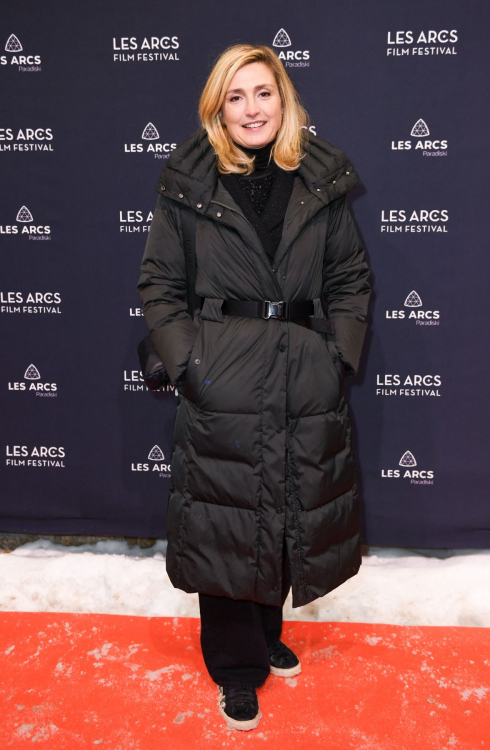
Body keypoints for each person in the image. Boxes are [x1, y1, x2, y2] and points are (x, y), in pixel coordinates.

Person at [137, 43, 371, 731]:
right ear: (218, 108)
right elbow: (160, 284)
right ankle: (235, 665)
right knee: (227, 515)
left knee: (284, 508)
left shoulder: (319, 178)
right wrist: (191, 364)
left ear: (284, 98)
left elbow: (350, 279)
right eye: (235, 97)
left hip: (304, 369)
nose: (251, 109)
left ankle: (266, 633)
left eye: (262, 93)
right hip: (224, 370)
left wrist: (337, 356)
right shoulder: (188, 183)